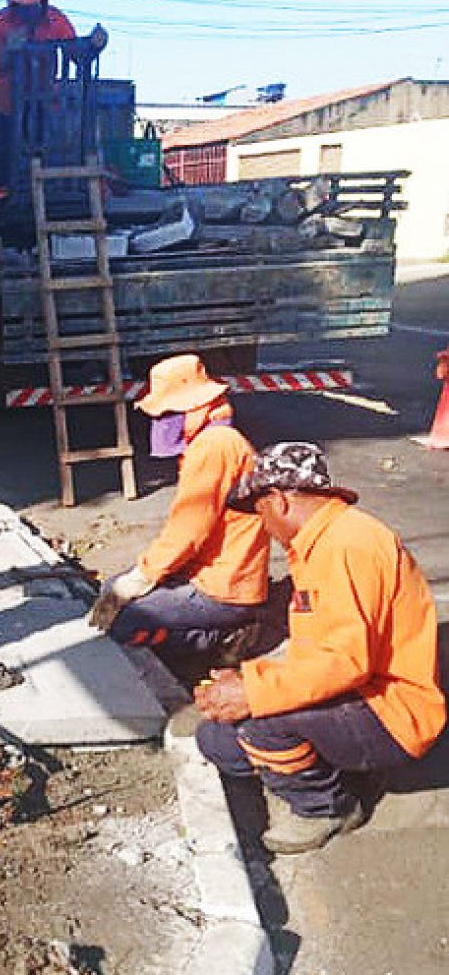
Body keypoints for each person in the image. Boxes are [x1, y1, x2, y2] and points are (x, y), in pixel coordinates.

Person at [194, 442, 446, 854]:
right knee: (219, 742)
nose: (264, 526)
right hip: (362, 691)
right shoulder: (323, 541)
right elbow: (317, 646)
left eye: (260, 514)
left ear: (278, 500)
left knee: (262, 728)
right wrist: (249, 679)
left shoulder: (345, 546)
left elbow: (345, 661)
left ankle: (326, 807)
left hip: (391, 710)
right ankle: (345, 770)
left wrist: (252, 693)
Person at [89, 354, 271, 677]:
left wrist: (142, 578)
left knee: (125, 623)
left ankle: (226, 638)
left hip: (224, 589)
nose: (161, 422)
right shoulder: (211, 441)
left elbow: (187, 531)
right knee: (112, 591)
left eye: (168, 413)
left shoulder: (215, 447)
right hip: (208, 573)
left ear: (196, 407)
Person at [0, 0, 76, 194]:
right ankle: (1, 195)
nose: (28, 10)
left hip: (42, 96)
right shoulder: (2, 22)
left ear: (42, 0)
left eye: (32, 5)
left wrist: (92, 45)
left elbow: (74, 50)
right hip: (6, 100)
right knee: (3, 148)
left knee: (43, 145)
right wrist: (9, 51)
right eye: (23, 5)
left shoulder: (56, 20)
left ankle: (44, 189)